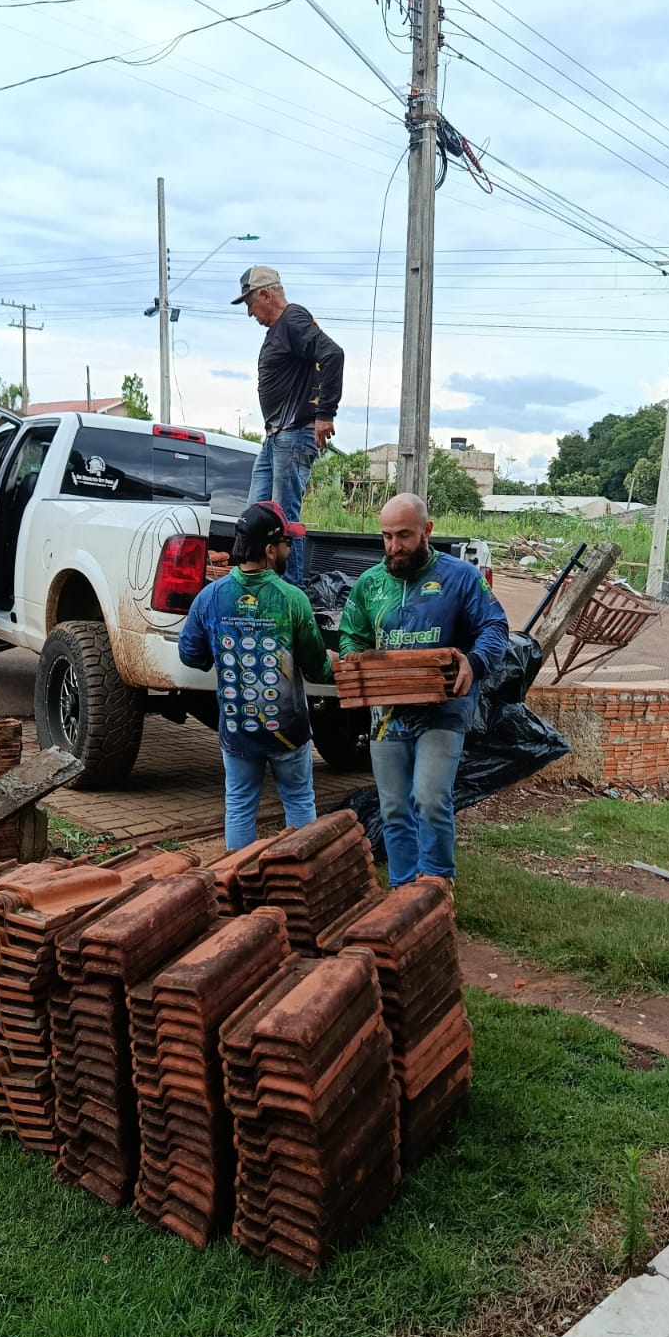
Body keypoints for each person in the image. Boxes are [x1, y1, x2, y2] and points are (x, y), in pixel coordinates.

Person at [339, 493, 510, 886]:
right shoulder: (370, 583)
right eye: (387, 536)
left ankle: (436, 887)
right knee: (394, 807)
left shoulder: (460, 578)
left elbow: (494, 626)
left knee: (430, 800)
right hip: (388, 716)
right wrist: (353, 659)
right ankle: (403, 890)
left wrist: (474, 662)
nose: (394, 546)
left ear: (427, 530)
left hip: (443, 711)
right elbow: (352, 634)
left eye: (404, 535)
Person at [179, 499, 335, 851]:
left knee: (239, 803)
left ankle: (240, 877)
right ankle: (302, 873)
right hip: (288, 731)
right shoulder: (292, 599)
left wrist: (221, 655)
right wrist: (331, 661)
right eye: (286, 543)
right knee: (298, 798)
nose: (289, 550)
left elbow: (189, 654)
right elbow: (316, 667)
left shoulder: (210, 597)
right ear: (269, 549)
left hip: (238, 728)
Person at [232, 265, 345, 586]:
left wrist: (325, 414)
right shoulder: (279, 330)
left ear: (266, 295)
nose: (249, 313)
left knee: (282, 519)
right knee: (255, 517)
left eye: (250, 303)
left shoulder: (292, 319)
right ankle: (257, 584)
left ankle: (291, 591)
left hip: (294, 433)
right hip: (275, 437)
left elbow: (333, 354)